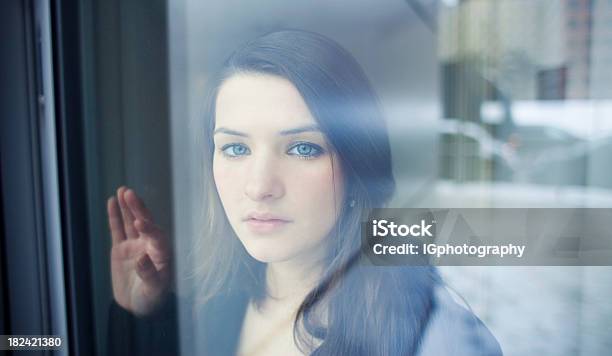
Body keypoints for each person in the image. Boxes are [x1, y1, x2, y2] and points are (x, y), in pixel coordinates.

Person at [106, 30, 502, 355]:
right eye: (236, 148)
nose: (259, 187)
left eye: (303, 148)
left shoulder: (433, 335)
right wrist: (142, 316)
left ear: (358, 164)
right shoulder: (215, 303)